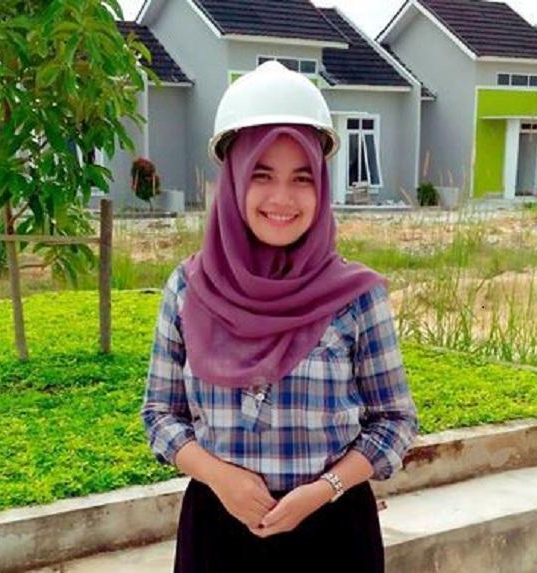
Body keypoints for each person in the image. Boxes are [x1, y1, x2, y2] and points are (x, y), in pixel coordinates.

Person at [140, 60, 419, 573]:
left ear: (322, 185)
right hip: (218, 533)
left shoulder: (354, 296)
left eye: (301, 178)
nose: (282, 199)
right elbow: (160, 415)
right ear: (233, 180)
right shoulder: (189, 288)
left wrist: (324, 489)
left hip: (333, 535)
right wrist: (220, 477)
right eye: (262, 175)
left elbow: (395, 421)